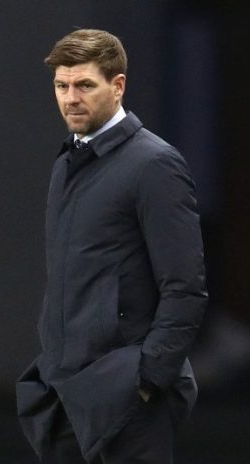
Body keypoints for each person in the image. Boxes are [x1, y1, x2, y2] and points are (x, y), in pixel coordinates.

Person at [16, 29, 207, 464]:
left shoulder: (154, 164)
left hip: (126, 396)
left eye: (85, 85)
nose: (70, 98)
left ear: (117, 86)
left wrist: (148, 379)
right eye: (61, 86)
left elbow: (185, 287)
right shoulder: (67, 163)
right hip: (65, 392)